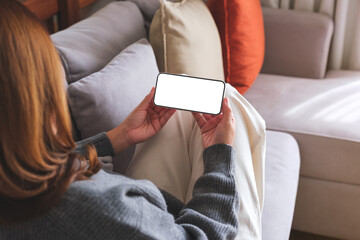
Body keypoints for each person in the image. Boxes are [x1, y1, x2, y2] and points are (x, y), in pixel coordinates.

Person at [0, 1, 243, 239]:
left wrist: (119, 136)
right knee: (235, 109)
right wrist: (219, 154)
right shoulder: (102, 207)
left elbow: (31, 168)